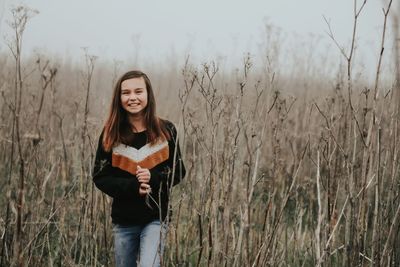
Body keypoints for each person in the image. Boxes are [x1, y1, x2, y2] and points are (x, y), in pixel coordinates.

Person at [92, 70, 186, 267]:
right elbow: (101, 177)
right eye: (126, 93)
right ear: (119, 98)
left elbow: (178, 171)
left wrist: (153, 178)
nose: (132, 97)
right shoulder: (111, 134)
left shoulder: (166, 131)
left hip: (156, 217)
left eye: (138, 91)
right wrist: (133, 187)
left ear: (148, 95)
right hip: (124, 220)